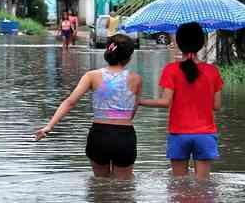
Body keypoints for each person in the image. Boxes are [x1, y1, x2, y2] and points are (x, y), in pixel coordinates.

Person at [35, 34, 143, 180]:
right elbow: (133, 110)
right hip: (124, 136)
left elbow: (69, 102)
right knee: (123, 187)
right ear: (129, 57)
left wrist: (49, 127)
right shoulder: (136, 79)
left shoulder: (91, 76)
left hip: (99, 135)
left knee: (99, 185)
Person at [139, 22, 224, 180]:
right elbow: (217, 106)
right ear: (202, 43)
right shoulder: (213, 71)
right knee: (203, 186)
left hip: (179, 134)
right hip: (205, 135)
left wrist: (139, 101)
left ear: (178, 42)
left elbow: (165, 102)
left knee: (178, 185)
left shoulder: (171, 70)